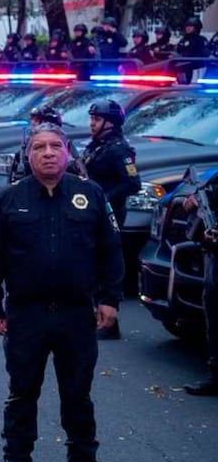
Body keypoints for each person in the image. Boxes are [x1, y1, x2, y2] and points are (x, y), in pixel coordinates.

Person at [0, 123, 123, 462]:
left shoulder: (90, 195)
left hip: (76, 315)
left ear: (67, 152)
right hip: (25, 315)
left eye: (55, 146)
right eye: (39, 147)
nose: (48, 153)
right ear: (27, 155)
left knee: (77, 394)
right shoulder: (9, 199)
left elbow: (110, 251)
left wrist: (110, 298)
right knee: (21, 393)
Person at [81, 100, 139, 340]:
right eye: (91, 118)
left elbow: (132, 183)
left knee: (106, 261)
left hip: (110, 213)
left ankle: (109, 321)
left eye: (96, 119)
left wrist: (103, 197)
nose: (92, 123)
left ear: (110, 122)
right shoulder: (97, 145)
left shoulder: (119, 150)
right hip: (91, 212)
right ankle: (95, 314)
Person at [181, 176, 218, 395]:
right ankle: (215, 375)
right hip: (214, 259)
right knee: (214, 320)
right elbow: (200, 195)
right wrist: (193, 201)